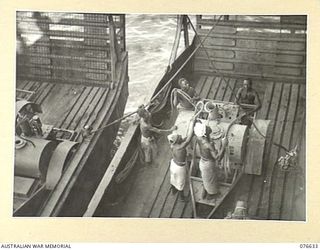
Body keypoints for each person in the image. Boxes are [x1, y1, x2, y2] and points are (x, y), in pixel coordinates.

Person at [194, 122, 228, 200]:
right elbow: (218, 158)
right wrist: (223, 146)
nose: (208, 127)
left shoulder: (199, 137)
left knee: (207, 178)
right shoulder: (208, 145)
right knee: (211, 179)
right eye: (206, 127)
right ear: (205, 133)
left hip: (202, 162)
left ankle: (207, 189)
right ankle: (212, 194)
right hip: (208, 165)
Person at [167, 118, 196, 201]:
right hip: (180, 167)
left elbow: (183, 139)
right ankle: (182, 198)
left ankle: (173, 190)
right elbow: (188, 139)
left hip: (173, 164)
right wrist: (193, 125)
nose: (180, 136)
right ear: (178, 140)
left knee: (173, 178)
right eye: (179, 137)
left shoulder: (173, 145)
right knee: (181, 182)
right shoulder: (180, 147)